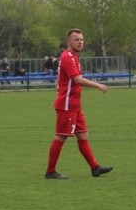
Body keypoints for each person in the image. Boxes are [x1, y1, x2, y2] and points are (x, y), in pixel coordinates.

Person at [45, 28, 113, 180]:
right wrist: (98, 85)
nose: (80, 42)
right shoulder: (68, 57)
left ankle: (95, 168)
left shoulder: (73, 57)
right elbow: (77, 79)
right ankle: (50, 171)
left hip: (74, 104)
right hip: (68, 105)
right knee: (61, 136)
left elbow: (63, 81)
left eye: (81, 39)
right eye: (76, 39)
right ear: (68, 42)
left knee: (82, 135)